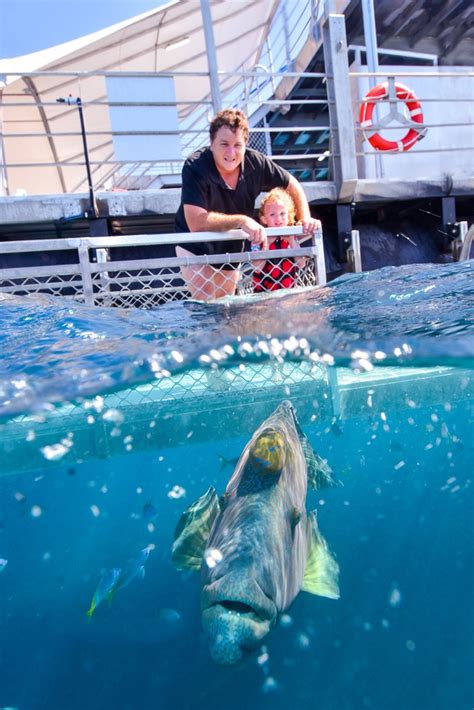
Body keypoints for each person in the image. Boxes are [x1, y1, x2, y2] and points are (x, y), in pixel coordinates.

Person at [175, 108, 321, 301]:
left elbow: (291, 183)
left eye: (237, 145)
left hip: (231, 245)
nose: (231, 152)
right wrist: (242, 221)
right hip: (195, 244)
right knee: (206, 299)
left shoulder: (256, 163)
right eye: (224, 144)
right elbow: (196, 222)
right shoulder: (195, 166)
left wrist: (305, 218)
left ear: (246, 145)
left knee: (226, 304)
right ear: (212, 144)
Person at [253, 187, 304, 293]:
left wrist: (292, 241)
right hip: (264, 294)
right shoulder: (258, 239)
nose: (278, 219)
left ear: (289, 216)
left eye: (282, 214)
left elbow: (301, 264)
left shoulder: (292, 237)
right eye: (272, 215)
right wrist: (267, 243)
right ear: (264, 219)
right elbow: (257, 268)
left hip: (288, 291)